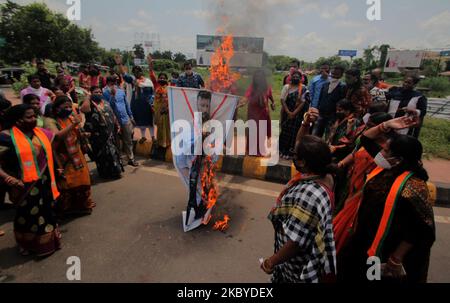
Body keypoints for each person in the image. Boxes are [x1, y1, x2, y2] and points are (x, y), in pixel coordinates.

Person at [338, 115, 435, 283]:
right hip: (364, 240)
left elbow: (421, 230)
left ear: (399, 159)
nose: (380, 152)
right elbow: (365, 139)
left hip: (384, 251)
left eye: (385, 150)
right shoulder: (387, 167)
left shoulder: (413, 187)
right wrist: (386, 125)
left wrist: (396, 258)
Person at [261, 111, 336, 282]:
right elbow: (299, 144)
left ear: (302, 162)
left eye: (295, 155)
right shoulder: (324, 174)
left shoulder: (309, 195)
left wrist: (271, 262)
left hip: (295, 264)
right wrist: (305, 124)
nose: (293, 156)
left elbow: (295, 242)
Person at [0, 104, 61, 256]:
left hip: (44, 182)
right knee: (26, 215)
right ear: (17, 120)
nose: (33, 119)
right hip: (22, 185)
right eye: (29, 117)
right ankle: (26, 243)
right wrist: (8, 178)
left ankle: (48, 242)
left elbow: (53, 145)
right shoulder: (6, 137)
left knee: (47, 211)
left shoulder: (41, 133)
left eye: (35, 116)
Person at [44, 96, 95, 217]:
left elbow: (77, 132)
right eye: (65, 107)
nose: (68, 109)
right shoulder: (50, 121)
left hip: (77, 155)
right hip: (63, 157)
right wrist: (74, 125)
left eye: (69, 106)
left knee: (83, 179)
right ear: (56, 109)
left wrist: (84, 134)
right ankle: (68, 209)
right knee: (68, 183)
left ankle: (83, 205)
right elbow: (57, 136)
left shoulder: (70, 118)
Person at [81, 86, 123, 179]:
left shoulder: (106, 103)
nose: (99, 94)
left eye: (100, 92)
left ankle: (116, 172)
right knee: (101, 156)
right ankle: (105, 174)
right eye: (96, 92)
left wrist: (117, 124)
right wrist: (88, 97)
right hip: (97, 136)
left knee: (112, 154)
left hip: (109, 134)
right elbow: (84, 110)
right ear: (91, 93)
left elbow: (112, 114)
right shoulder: (89, 104)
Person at [103, 76, 139, 167]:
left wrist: (131, 116)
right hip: (113, 121)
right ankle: (119, 159)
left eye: (115, 82)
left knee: (128, 140)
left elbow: (126, 105)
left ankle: (131, 158)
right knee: (116, 141)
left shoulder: (121, 91)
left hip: (125, 119)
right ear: (107, 83)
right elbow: (106, 106)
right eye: (111, 82)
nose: (113, 84)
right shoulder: (104, 93)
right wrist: (112, 96)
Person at [279, 71, 310, 159]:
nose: (295, 78)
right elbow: (282, 100)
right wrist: (288, 112)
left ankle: (290, 152)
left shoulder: (304, 88)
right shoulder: (286, 87)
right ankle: (282, 150)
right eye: (294, 76)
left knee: (294, 133)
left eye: (298, 77)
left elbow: (303, 102)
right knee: (285, 132)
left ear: (301, 79)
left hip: (297, 116)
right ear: (291, 77)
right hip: (286, 114)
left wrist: (294, 113)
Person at [244, 69, 275, 157]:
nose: (258, 79)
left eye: (260, 77)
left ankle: (260, 150)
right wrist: (242, 102)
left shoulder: (267, 87)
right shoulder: (252, 87)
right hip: (253, 113)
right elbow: (247, 96)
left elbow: (271, 97)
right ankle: (250, 150)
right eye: (256, 77)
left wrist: (273, 103)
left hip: (263, 113)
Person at [313, 65, 347, 138]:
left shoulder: (343, 87)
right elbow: (320, 98)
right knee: (316, 134)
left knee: (329, 136)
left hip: (333, 115)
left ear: (341, 75)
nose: (334, 76)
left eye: (336, 74)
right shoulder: (325, 84)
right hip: (321, 114)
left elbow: (342, 102)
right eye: (333, 74)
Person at [153, 73, 172, 149]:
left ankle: (167, 143)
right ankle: (160, 143)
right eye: (160, 78)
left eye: (164, 78)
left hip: (167, 111)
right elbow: (156, 101)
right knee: (160, 127)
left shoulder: (169, 89)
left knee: (167, 127)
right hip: (159, 111)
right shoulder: (157, 89)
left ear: (167, 79)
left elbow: (171, 100)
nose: (162, 79)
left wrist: (167, 108)